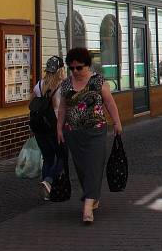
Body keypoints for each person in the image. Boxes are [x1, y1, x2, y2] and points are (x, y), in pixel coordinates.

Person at [56, 47, 123, 224]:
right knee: (82, 167)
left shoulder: (98, 81)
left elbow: (109, 102)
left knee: (94, 164)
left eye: (79, 67)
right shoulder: (66, 84)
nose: (75, 71)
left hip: (96, 129)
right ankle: (93, 197)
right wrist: (59, 129)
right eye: (72, 68)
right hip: (73, 132)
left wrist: (117, 122)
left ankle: (87, 207)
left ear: (87, 66)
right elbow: (62, 107)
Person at [30, 55, 65, 201]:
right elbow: (59, 109)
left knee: (48, 158)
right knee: (62, 156)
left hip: (39, 127)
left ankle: (46, 189)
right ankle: (49, 181)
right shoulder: (60, 87)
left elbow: (31, 105)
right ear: (60, 70)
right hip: (53, 127)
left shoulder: (38, 85)